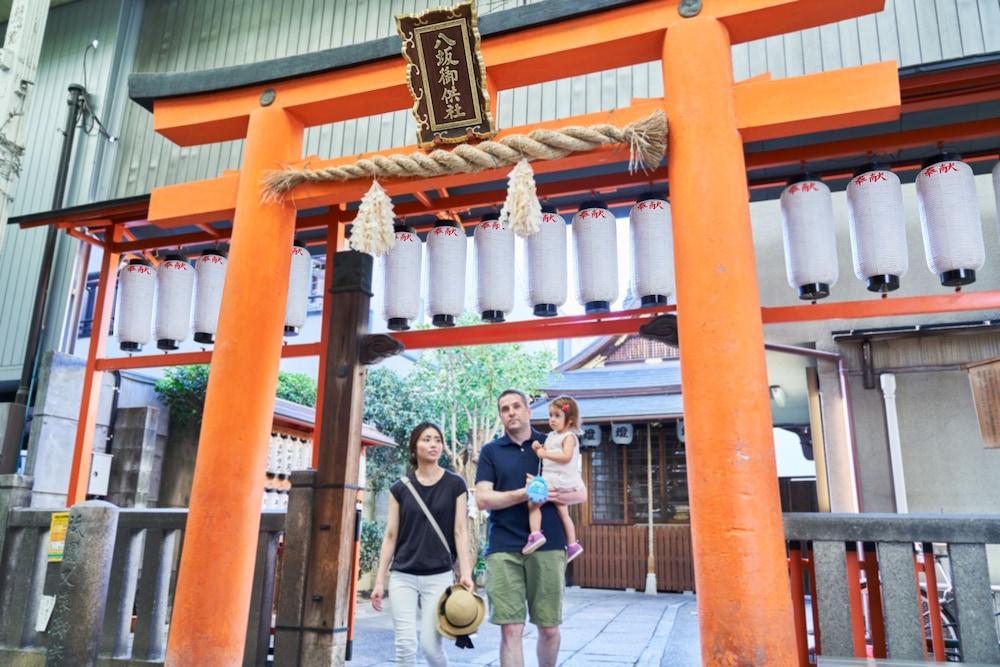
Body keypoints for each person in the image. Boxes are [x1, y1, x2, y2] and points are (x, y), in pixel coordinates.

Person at [371, 422, 474, 667]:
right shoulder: (400, 488)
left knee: (430, 646)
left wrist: (466, 573)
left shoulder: (455, 485)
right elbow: (391, 535)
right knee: (404, 645)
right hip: (403, 575)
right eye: (427, 439)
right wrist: (378, 580)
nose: (433, 444)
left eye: (437, 440)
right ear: (415, 446)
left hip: (438, 574)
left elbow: (460, 531)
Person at [476, 389, 567, 667]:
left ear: (528, 411)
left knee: (549, 627)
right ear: (501, 416)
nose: (511, 412)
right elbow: (482, 499)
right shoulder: (491, 451)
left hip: (548, 544)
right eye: (505, 409)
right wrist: (524, 493)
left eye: (517, 406)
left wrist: (552, 493)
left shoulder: (552, 443)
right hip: (504, 546)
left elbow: (579, 493)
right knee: (510, 628)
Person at [524, 395, 587, 561]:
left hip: (558, 480)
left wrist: (543, 453)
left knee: (533, 502)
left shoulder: (569, 437)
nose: (552, 419)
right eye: (550, 415)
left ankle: (536, 534)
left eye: (557, 416)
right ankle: (572, 544)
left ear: (570, 420)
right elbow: (547, 449)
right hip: (557, 479)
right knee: (563, 512)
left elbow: (566, 456)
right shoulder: (552, 436)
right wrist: (539, 447)